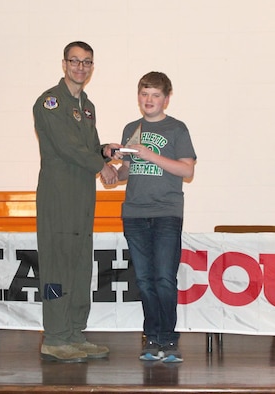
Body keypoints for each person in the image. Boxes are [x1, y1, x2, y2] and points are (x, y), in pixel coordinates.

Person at [33, 41, 121, 363]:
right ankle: (55, 336)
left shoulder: (87, 107)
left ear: (92, 67)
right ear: (64, 64)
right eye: (75, 61)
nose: (80, 67)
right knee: (57, 266)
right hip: (59, 195)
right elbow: (67, 147)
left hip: (82, 195)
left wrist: (103, 151)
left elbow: (85, 146)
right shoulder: (50, 103)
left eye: (86, 62)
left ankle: (73, 333)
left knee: (80, 265)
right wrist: (101, 166)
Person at [117, 71, 197, 363]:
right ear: (138, 96)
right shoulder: (130, 127)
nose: (148, 100)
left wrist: (149, 154)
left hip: (166, 213)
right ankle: (151, 337)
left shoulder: (177, 129)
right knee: (144, 279)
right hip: (135, 213)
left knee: (164, 278)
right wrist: (113, 170)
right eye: (144, 94)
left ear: (166, 98)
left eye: (155, 95)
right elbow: (127, 171)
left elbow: (187, 170)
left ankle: (169, 339)